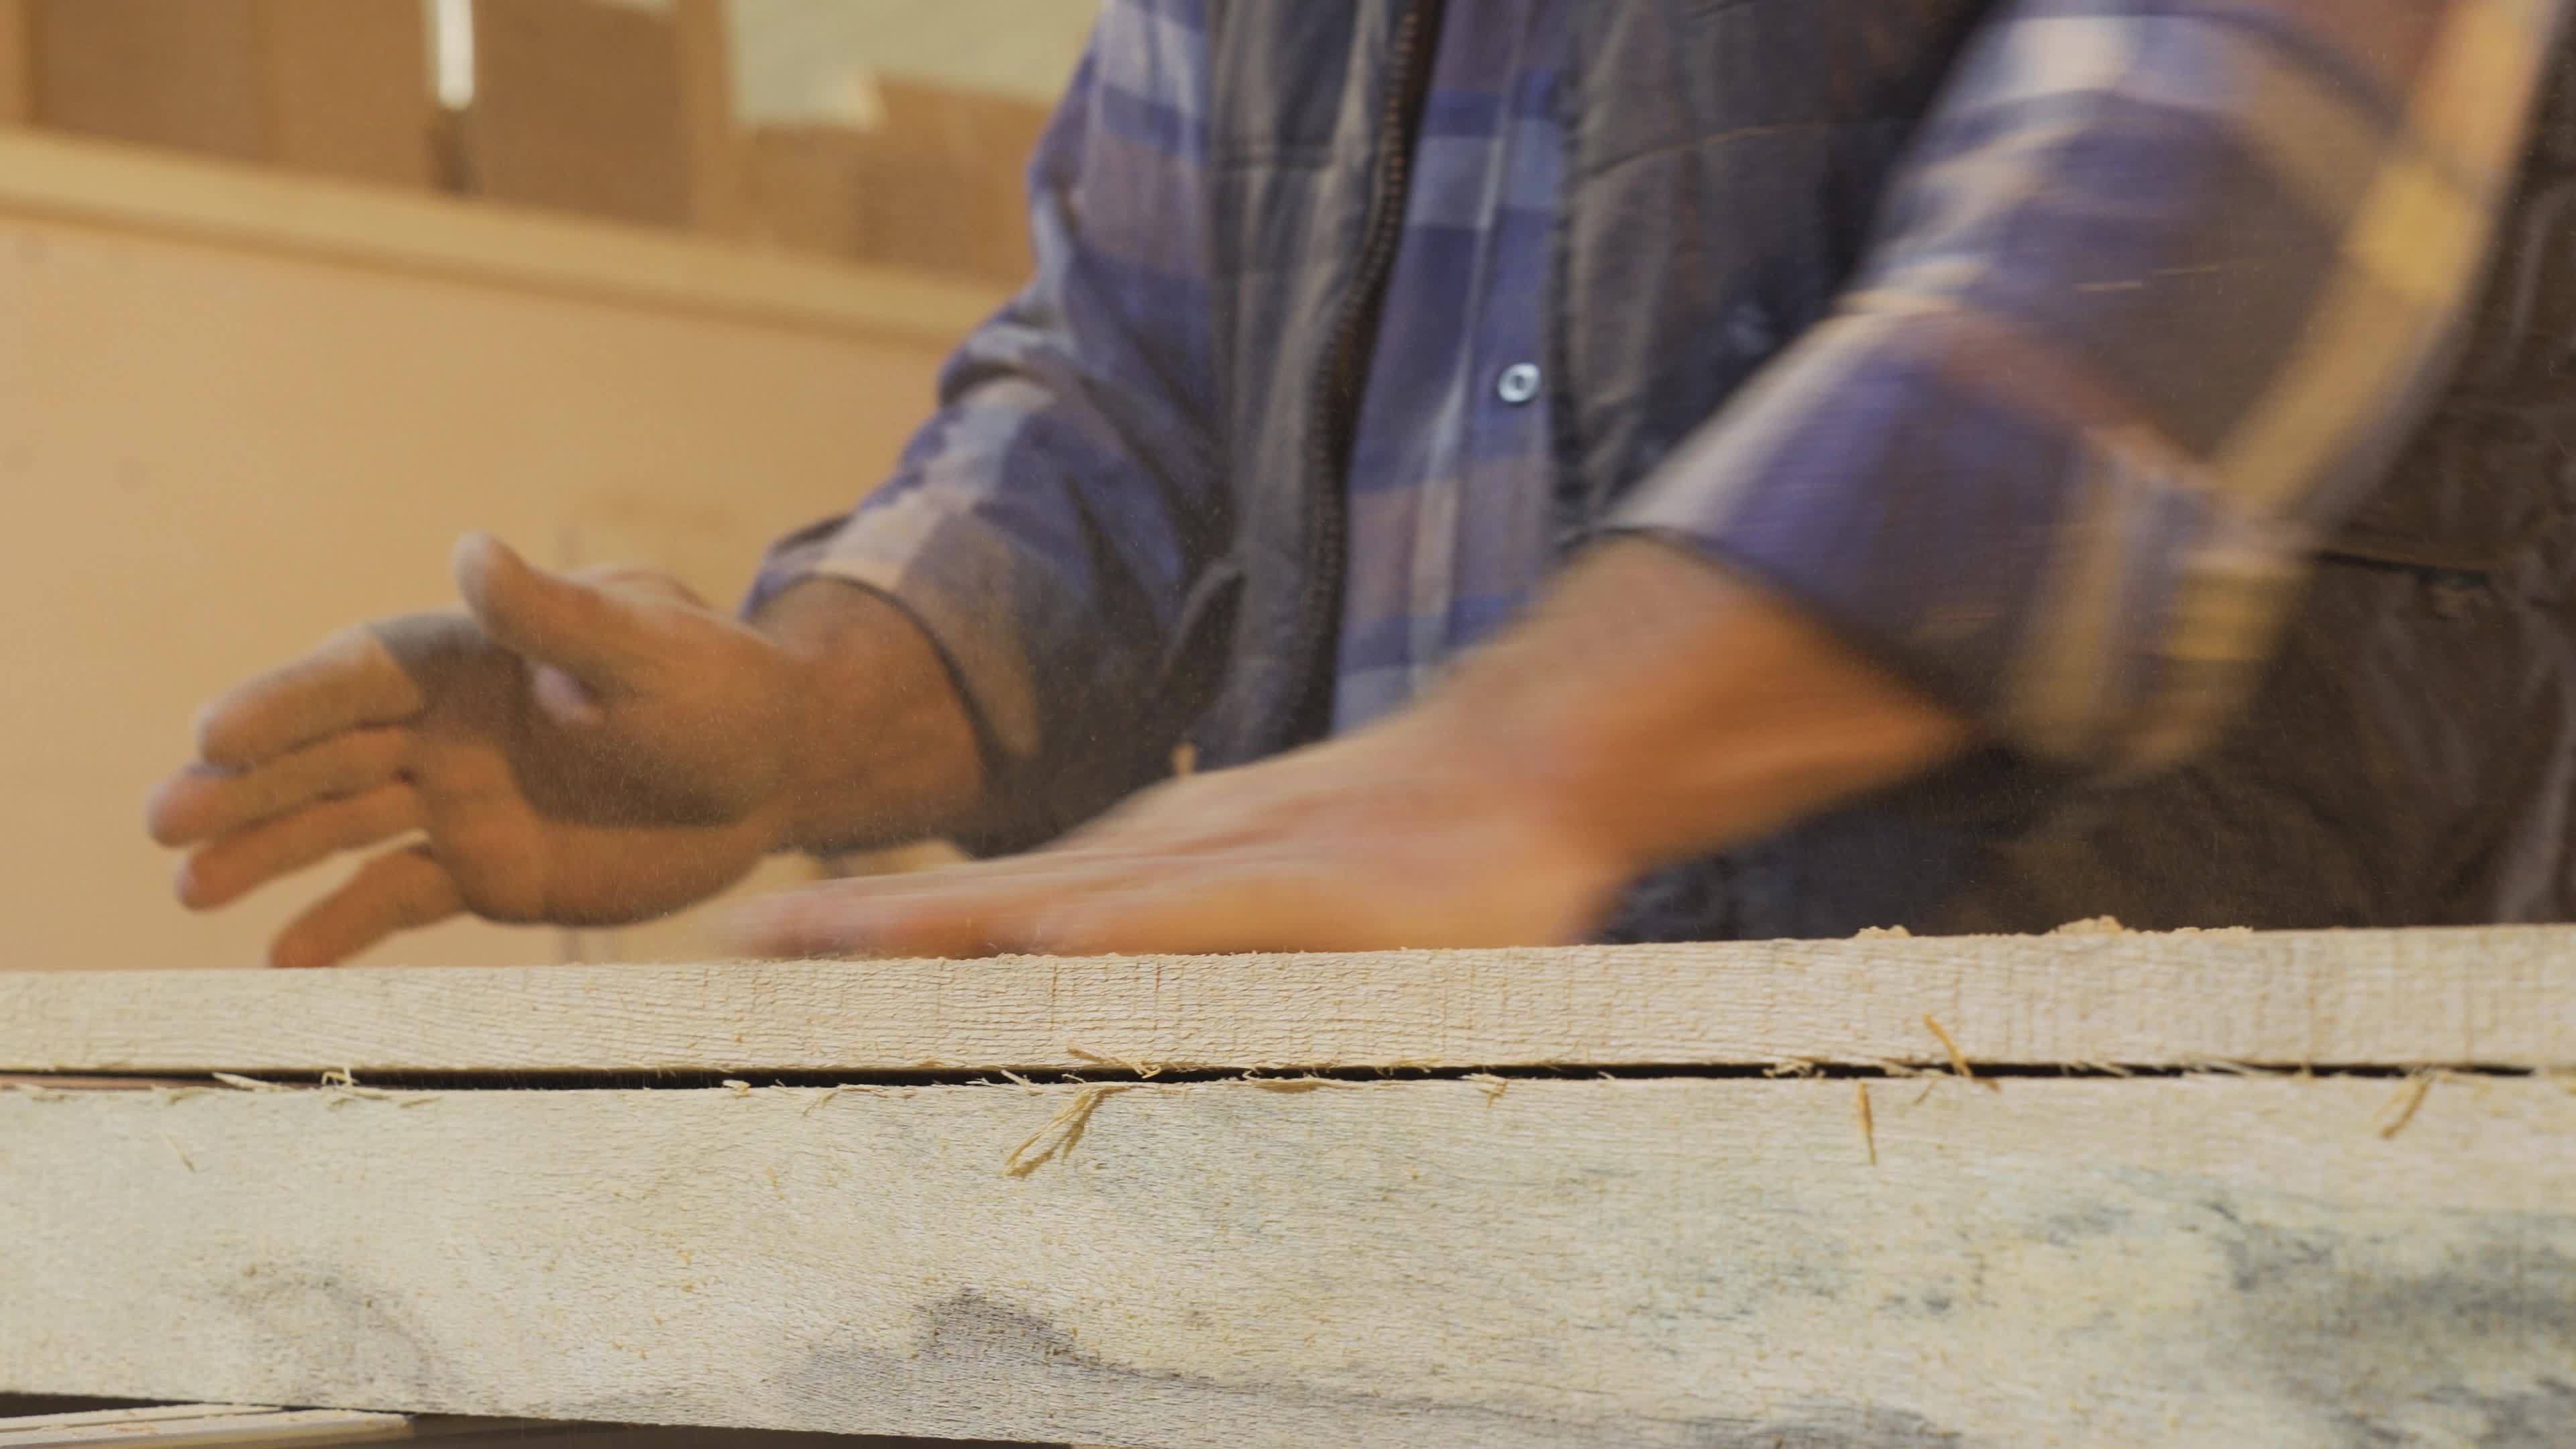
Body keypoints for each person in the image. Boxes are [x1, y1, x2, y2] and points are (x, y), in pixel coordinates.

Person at [150, 1, 2575, 968]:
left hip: (2153, 1214)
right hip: (1463, 1222)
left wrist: (1548, 760)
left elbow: (2223, 134)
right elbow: (1122, 394)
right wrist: (806, 713)